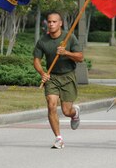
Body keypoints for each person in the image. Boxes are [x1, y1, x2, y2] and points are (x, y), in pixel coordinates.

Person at [33, 12, 84, 149]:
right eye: (49, 22)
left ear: (60, 23)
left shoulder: (69, 38)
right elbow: (36, 60)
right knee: (51, 104)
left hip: (68, 76)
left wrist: (66, 53)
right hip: (52, 77)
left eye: (54, 22)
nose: (51, 24)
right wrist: (43, 73)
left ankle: (75, 113)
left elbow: (80, 57)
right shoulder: (43, 41)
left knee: (66, 111)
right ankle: (58, 138)